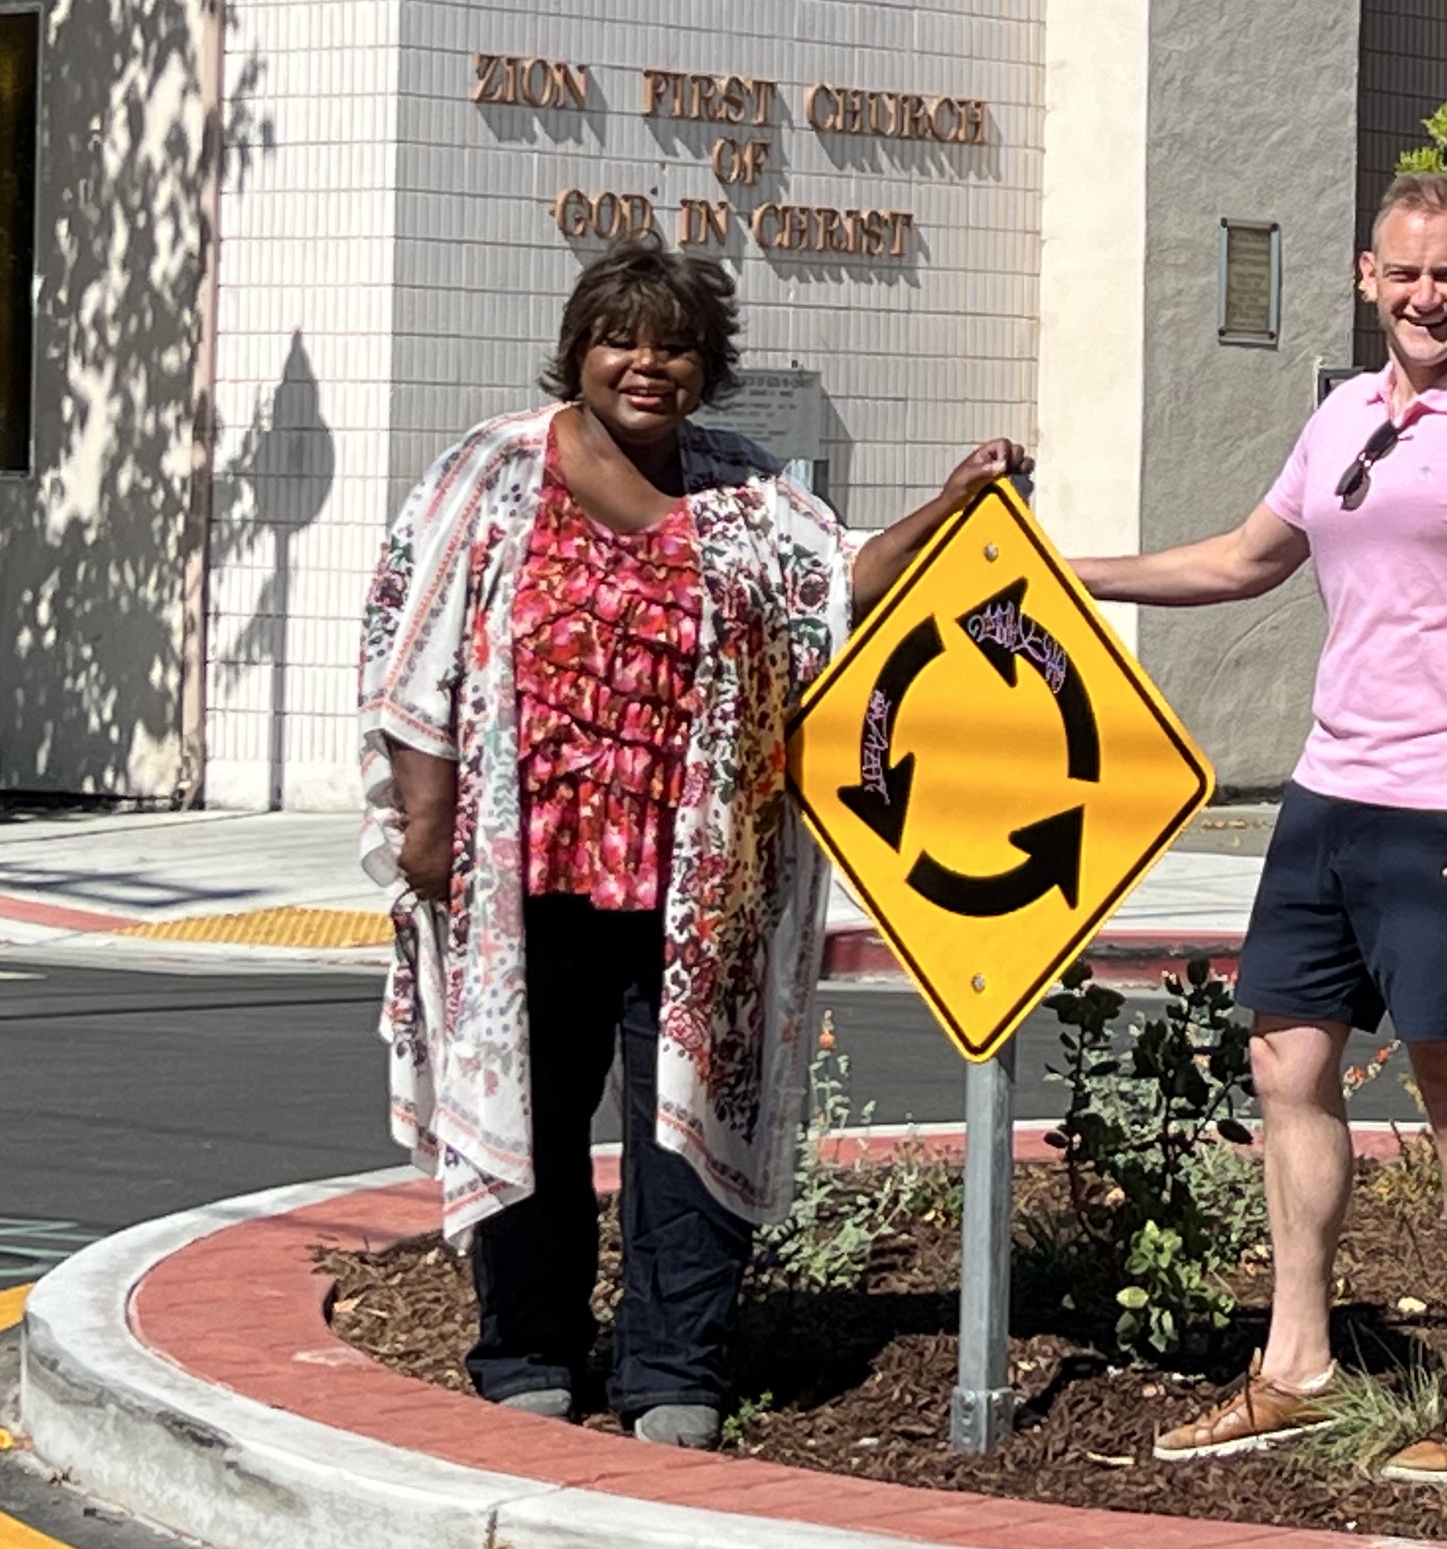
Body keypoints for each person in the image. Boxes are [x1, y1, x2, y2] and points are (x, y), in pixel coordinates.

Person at [359, 242, 1023, 1442]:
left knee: (686, 1120)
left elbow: (841, 588)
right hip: (525, 874)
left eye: (673, 344)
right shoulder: (496, 471)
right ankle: (530, 1345)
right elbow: (415, 641)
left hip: (694, 880)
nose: (646, 364)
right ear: (580, 352)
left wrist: (954, 498)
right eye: (621, 338)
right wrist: (421, 820)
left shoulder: (744, 489)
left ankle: (677, 1369)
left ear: (706, 367)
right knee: (532, 1112)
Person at [1078, 171, 1447, 1483]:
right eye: (1406, 272)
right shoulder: (1337, 421)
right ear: (1367, 279)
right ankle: (1298, 1367)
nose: (1428, 295)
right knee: (1285, 1071)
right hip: (1330, 798)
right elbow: (1244, 560)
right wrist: (1067, 575)